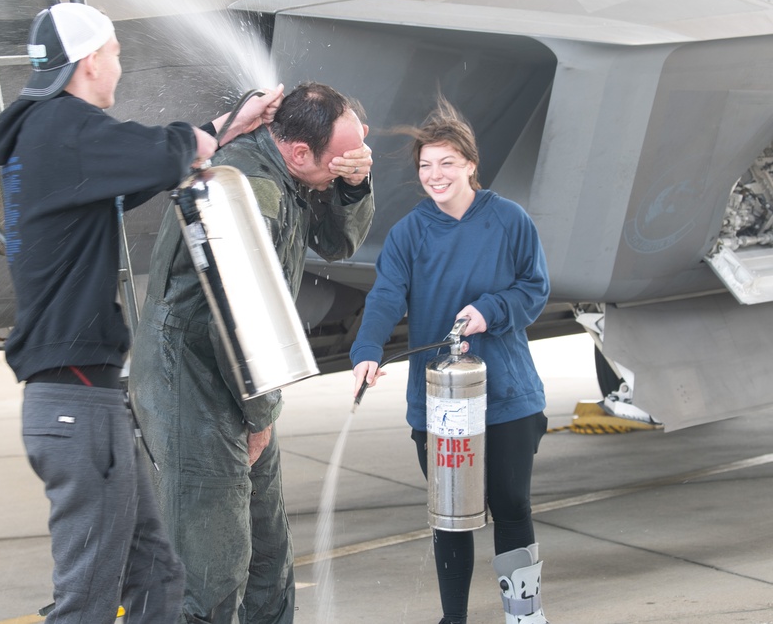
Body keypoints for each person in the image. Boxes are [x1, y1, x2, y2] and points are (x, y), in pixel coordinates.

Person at [0, 2, 283, 624]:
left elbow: (142, 171)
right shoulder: (60, 128)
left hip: (82, 399)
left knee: (155, 573)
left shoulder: (51, 141)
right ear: (90, 60)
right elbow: (162, 151)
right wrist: (202, 140)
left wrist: (224, 127)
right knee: (88, 599)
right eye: (115, 52)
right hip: (75, 402)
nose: (120, 64)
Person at [128, 82, 375, 623]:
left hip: (240, 386)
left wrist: (354, 184)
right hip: (192, 388)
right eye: (341, 159)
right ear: (298, 151)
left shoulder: (286, 172)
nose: (348, 164)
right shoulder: (247, 192)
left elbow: (338, 243)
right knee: (213, 572)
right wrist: (259, 416)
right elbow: (237, 327)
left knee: (268, 557)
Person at [349, 96, 551, 624]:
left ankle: (523, 614)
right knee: (451, 516)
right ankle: (453, 619)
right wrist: (367, 351)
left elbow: (535, 288)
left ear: (470, 165)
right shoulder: (409, 233)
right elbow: (387, 296)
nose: (435, 176)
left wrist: (490, 310)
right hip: (439, 404)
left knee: (511, 508)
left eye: (446, 164)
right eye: (426, 166)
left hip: (507, 394)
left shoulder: (509, 221)